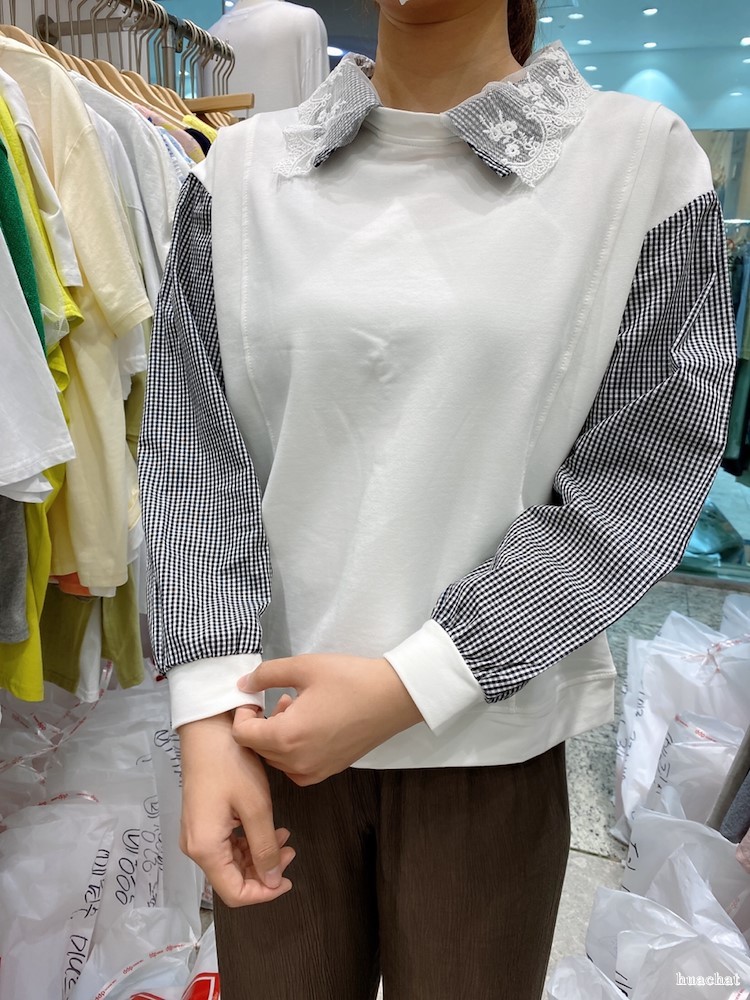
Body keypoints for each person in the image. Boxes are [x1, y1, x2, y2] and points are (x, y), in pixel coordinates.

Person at [137, 0, 737, 996]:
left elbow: (644, 469)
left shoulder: (638, 162)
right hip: (269, 738)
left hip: (487, 738)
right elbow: (195, 453)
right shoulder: (239, 174)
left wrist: (420, 678)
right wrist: (205, 709)